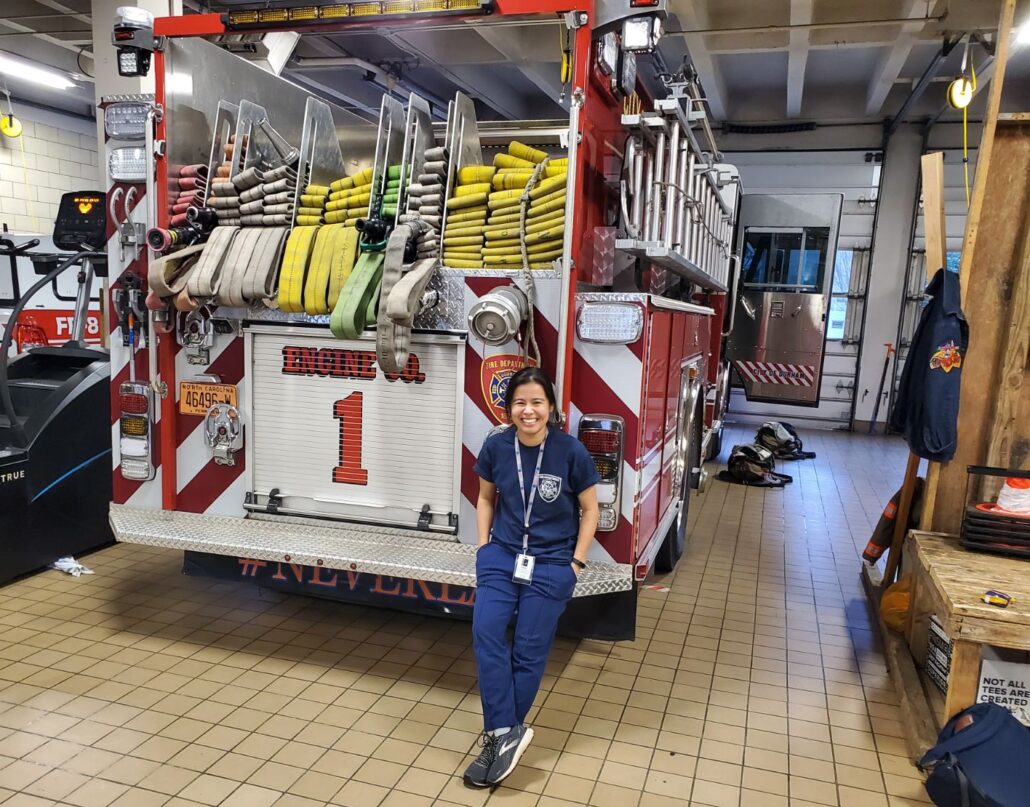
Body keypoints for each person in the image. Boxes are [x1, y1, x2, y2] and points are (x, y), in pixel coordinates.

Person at [464, 367, 600, 788]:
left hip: (552, 564)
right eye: (520, 402)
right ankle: (506, 733)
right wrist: (484, 547)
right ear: (510, 409)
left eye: (537, 402)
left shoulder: (571, 452)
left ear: (551, 408)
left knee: (527, 650)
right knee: (486, 633)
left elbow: (590, 510)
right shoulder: (497, 447)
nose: (529, 410)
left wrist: (575, 564)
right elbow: (486, 498)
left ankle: (500, 736)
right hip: (501, 557)